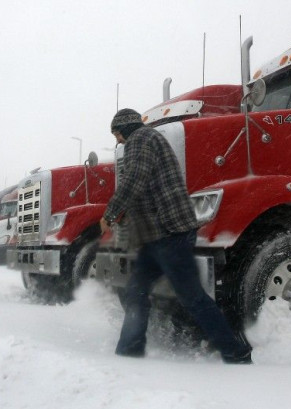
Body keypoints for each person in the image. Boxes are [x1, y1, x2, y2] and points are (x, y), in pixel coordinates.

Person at [100, 108, 252, 364]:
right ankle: (128, 351)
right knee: (136, 291)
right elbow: (149, 186)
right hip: (156, 236)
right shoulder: (151, 139)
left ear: (126, 128)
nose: (118, 141)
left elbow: (135, 179)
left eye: (117, 134)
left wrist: (111, 213)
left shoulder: (140, 139)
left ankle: (236, 352)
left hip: (169, 233)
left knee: (191, 297)